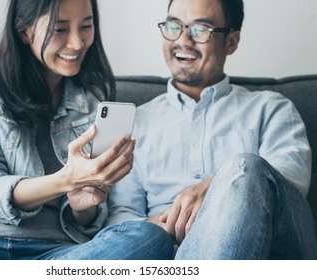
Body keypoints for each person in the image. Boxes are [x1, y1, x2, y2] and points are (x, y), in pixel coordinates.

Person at [0, 0, 173, 260]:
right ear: (24, 30)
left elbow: (89, 222)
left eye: (86, 26)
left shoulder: (92, 98)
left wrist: (83, 206)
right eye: (60, 29)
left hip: (53, 257)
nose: (77, 43)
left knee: (149, 237)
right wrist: (66, 180)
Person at [107, 0, 317, 259]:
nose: (183, 40)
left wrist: (221, 188)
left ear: (231, 41)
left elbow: (288, 183)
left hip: (262, 244)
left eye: (200, 29)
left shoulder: (272, 108)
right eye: (174, 26)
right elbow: (121, 215)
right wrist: (169, 225)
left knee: (248, 168)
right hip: (165, 251)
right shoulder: (136, 121)